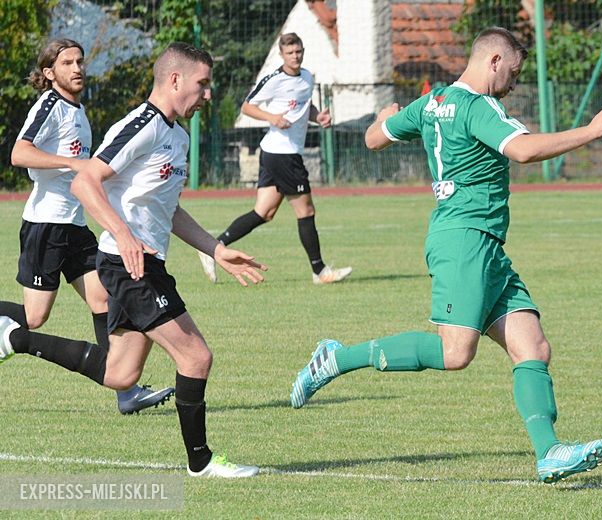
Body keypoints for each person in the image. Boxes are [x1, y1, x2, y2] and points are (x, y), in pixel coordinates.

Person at [289, 27, 602, 484]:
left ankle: (550, 451)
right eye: (513, 72)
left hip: (485, 245)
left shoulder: (432, 103)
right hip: (464, 238)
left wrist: (385, 116)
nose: (514, 83)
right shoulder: (478, 107)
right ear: (493, 61)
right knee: (456, 353)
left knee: (532, 346)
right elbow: (525, 150)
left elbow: (374, 139)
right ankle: (336, 358)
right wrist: (589, 131)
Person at [0, 42, 267, 477]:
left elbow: (171, 211)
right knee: (196, 356)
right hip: (128, 266)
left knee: (121, 374)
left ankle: (17, 340)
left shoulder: (177, 135)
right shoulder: (142, 124)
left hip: (146, 264)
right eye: (203, 84)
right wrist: (123, 235)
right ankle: (200, 461)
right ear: (175, 80)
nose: (207, 95)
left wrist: (217, 249)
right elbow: (85, 182)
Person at [4, 38, 173, 415]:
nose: (77, 68)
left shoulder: (77, 108)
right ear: (49, 73)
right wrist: (74, 164)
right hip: (46, 225)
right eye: (67, 63)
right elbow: (19, 153)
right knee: (34, 317)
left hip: (75, 226)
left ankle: (124, 390)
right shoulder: (50, 104)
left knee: (103, 300)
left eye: (80, 61)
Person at [198, 32, 351, 285]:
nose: (295, 56)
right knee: (306, 211)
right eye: (290, 52)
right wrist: (272, 118)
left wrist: (318, 117)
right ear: (282, 54)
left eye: (298, 51)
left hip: (278, 154)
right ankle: (320, 271)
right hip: (282, 154)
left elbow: (304, 106)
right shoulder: (274, 80)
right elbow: (247, 106)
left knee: (264, 212)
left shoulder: (307, 77)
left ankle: (213, 247)